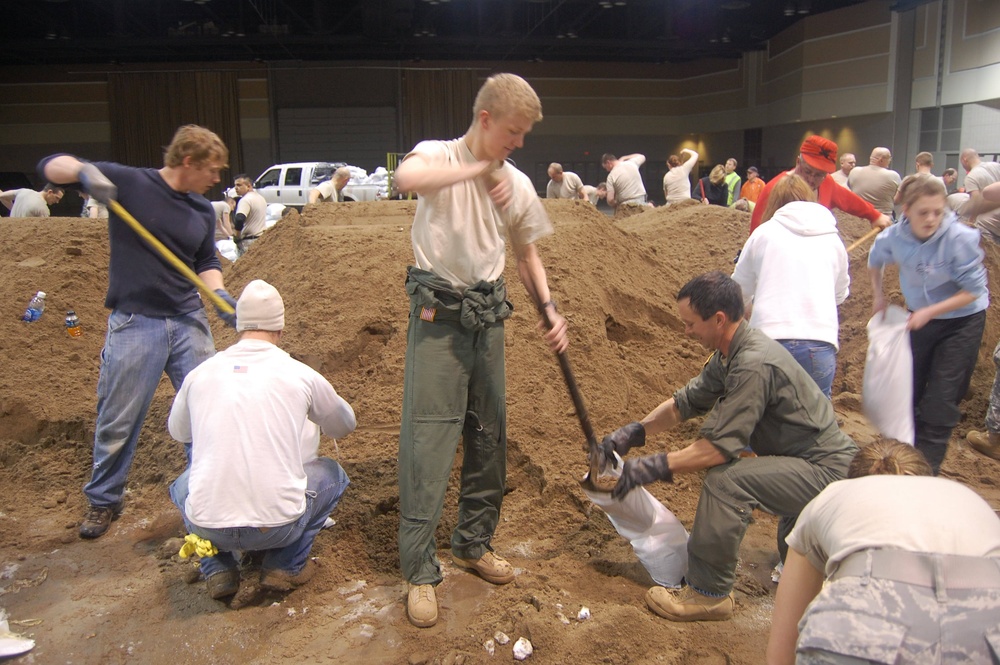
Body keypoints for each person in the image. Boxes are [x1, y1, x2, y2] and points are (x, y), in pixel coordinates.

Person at [392, 73, 569, 629]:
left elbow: (526, 254)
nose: (518, 144)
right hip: (438, 318)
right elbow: (405, 178)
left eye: (524, 136)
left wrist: (550, 308)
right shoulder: (439, 155)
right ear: (486, 119)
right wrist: (474, 171)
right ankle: (419, 571)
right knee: (429, 437)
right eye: (512, 132)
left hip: (488, 317)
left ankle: (473, 543)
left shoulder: (515, 182)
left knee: (489, 435)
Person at [600, 271, 857, 623]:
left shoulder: (752, 363)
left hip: (825, 471)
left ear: (718, 319)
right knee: (798, 555)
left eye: (691, 324)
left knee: (726, 480)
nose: (686, 331)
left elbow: (716, 450)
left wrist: (646, 469)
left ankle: (708, 595)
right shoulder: (730, 352)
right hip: (802, 462)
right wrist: (633, 433)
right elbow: (684, 403)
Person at [39, 124, 239, 539]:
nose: (217, 179)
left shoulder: (202, 210)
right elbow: (50, 165)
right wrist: (83, 171)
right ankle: (103, 500)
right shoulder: (131, 182)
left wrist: (219, 294)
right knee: (119, 418)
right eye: (213, 170)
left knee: (207, 412)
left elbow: (206, 261)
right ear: (189, 161)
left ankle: (206, 493)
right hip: (136, 322)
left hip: (188, 322)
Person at [167, 280, 356, 601]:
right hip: (277, 525)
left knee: (182, 486)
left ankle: (218, 568)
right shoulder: (300, 374)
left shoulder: (200, 374)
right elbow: (344, 425)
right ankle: (285, 565)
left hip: (209, 526)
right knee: (333, 475)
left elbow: (179, 433)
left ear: (238, 327)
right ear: (279, 330)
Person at [766, 440, 1000, 665]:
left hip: (867, 615)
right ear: (925, 478)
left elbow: (782, 655)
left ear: (856, 478)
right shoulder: (969, 499)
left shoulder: (831, 497)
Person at [868, 174, 988, 474]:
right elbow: (875, 259)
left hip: (962, 321)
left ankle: (924, 473)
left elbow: (973, 290)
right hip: (920, 318)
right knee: (912, 391)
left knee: (940, 400)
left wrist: (930, 311)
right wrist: (878, 296)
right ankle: (905, 458)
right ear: (906, 210)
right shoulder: (895, 236)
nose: (932, 219)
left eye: (938, 211)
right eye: (924, 212)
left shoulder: (959, 239)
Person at [732, 175, 849, 398]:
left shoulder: (763, 234)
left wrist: (751, 310)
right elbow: (840, 294)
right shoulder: (833, 240)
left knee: (764, 418)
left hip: (768, 339)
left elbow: (738, 291)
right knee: (815, 422)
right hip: (818, 342)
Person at [750, 136, 890, 235]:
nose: (811, 179)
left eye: (819, 175)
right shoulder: (775, 188)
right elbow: (757, 231)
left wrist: (874, 215)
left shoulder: (827, 183)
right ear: (798, 162)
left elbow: (849, 201)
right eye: (807, 171)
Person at [958, 148, 1000, 243]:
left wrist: (970, 223)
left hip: (987, 227)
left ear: (964, 160)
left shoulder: (971, 177)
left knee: (989, 256)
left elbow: (975, 204)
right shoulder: (996, 166)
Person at [847, 147, 900, 217]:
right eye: (889, 158)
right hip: (882, 220)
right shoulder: (893, 175)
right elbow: (898, 200)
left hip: (857, 218)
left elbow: (851, 188)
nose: (890, 160)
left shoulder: (854, 171)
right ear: (881, 160)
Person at [232, 173, 267, 257]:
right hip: (261, 239)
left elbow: (239, 219)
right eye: (235, 185)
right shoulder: (261, 198)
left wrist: (237, 236)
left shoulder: (245, 200)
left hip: (248, 241)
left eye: (239, 185)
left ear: (248, 186)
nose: (236, 188)